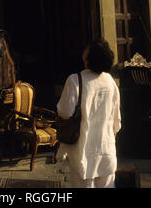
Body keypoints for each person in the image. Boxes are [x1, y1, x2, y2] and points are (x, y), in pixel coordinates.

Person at [56, 38, 121, 188]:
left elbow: (65, 112)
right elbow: (117, 120)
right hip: (106, 150)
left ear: (88, 57)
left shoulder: (75, 80)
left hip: (82, 151)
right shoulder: (110, 82)